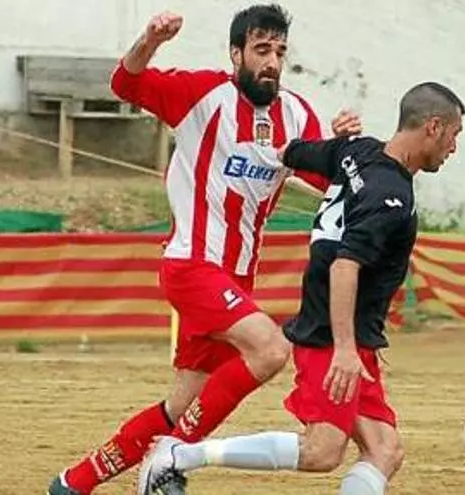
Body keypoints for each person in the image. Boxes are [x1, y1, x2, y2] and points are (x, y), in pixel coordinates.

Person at [47, 5, 362, 494]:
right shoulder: (202, 93)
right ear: (236, 54)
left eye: (279, 52)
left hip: (235, 280)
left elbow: (327, 180)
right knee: (271, 348)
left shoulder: (297, 114)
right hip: (192, 265)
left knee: (182, 406)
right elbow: (125, 84)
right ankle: (169, 459)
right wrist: (150, 40)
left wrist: (341, 146)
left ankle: (74, 482)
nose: (272, 62)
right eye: (261, 49)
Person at [139, 81, 463, 495]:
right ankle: (178, 455)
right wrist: (344, 349)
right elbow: (345, 265)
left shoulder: (358, 151)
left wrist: (335, 138)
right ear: (433, 127)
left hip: (352, 339)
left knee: (385, 450)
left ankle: (178, 454)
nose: (454, 147)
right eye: (454, 134)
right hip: (333, 339)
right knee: (322, 451)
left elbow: (290, 152)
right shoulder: (389, 196)